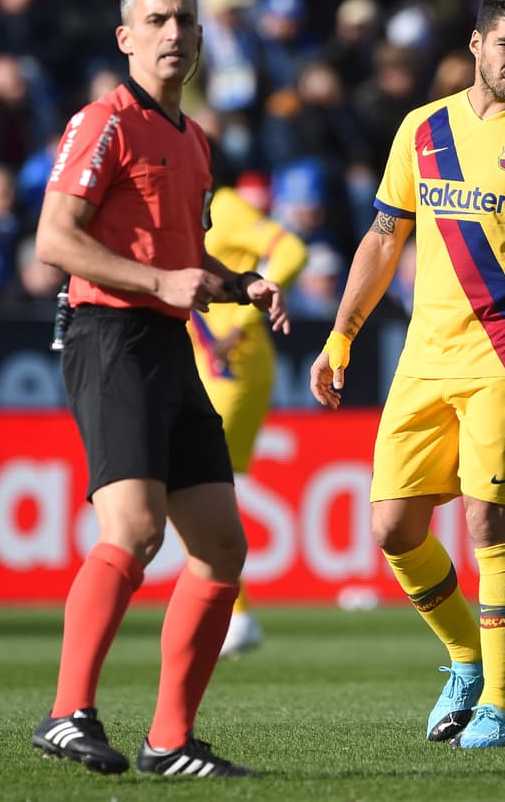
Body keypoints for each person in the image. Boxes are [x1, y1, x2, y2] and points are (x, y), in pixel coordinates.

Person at [309, 0, 505, 749]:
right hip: (423, 361)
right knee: (392, 528)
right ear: (476, 44)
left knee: (489, 522)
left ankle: (502, 711)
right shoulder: (423, 128)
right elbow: (384, 238)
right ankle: (466, 660)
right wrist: (341, 335)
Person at [31, 0, 289, 778]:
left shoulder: (194, 140)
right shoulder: (103, 122)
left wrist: (238, 284)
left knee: (220, 546)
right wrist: (160, 282)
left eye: (183, 20)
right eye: (156, 19)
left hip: (169, 343)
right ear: (126, 37)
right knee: (136, 531)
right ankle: (67, 713)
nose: (172, 32)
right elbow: (54, 239)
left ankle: (170, 742)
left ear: (202, 37)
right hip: (110, 336)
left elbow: (183, 260)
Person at [188, 184, 308, 658]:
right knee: (200, 489)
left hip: (231, 368)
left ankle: (233, 615)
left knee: (197, 486)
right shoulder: (189, 208)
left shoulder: (225, 206)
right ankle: (229, 612)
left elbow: (292, 251)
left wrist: (242, 323)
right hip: (216, 367)